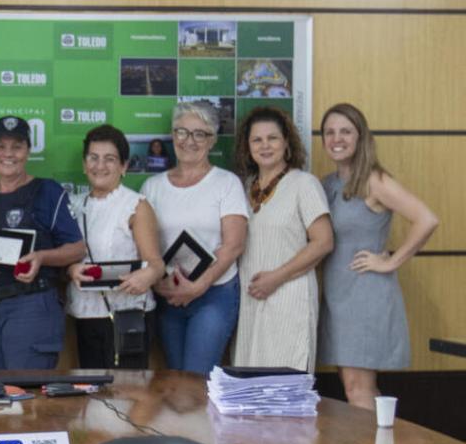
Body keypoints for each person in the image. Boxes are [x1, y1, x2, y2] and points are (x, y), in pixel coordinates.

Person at [318, 103, 438, 409]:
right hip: (337, 296)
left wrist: (390, 261)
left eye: (346, 131)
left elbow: (426, 219)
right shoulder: (328, 184)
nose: (337, 139)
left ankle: (378, 443)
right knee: (353, 386)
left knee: (358, 388)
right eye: (330, 132)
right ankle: (378, 439)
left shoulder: (374, 181)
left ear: (361, 137)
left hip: (365, 294)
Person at [0, 117, 84, 369]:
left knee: (27, 390)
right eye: (0, 146)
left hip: (32, 303)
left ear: (28, 151)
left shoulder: (47, 191)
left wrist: (41, 257)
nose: (8, 154)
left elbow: (77, 248)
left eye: (16, 147)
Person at [142, 101, 248, 374]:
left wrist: (199, 286)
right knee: (177, 379)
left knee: (196, 378)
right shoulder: (152, 187)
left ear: (212, 140)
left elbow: (234, 245)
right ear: (172, 135)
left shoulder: (227, 183)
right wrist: (160, 284)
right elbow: (145, 246)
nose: (189, 141)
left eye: (199, 134)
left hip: (214, 293)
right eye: (182, 132)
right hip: (169, 295)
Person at [230, 107, 332, 372]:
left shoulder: (304, 184)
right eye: (257, 140)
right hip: (251, 301)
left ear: (286, 142)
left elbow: (323, 242)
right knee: (250, 384)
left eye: (272, 138)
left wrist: (276, 277)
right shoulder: (243, 187)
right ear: (247, 147)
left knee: (284, 383)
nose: (265, 145)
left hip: (289, 297)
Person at [67, 125, 165, 369]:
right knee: (91, 390)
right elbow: (63, 260)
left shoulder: (135, 205)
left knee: (127, 390)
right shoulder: (72, 205)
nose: (100, 166)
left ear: (123, 166)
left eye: (109, 159)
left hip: (127, 316)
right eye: (93, 158)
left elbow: (156, 264)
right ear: (84, 164)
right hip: (85, 314)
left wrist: (146, 276)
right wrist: (70, 270)